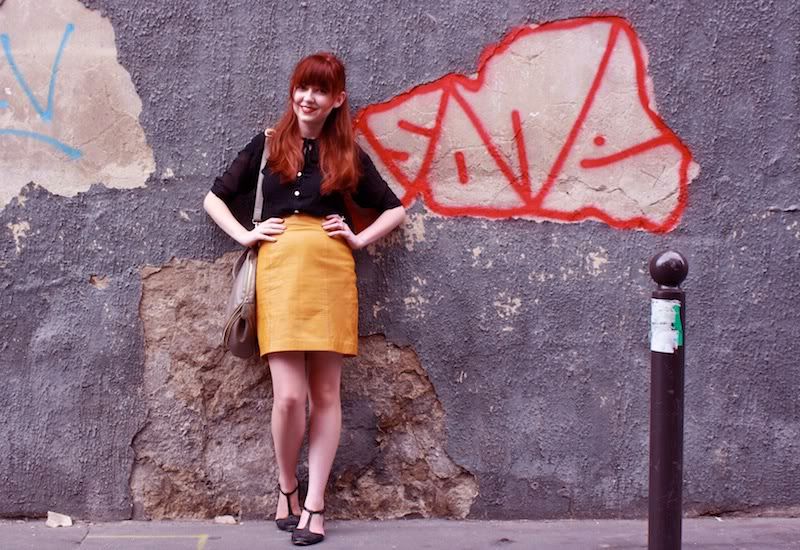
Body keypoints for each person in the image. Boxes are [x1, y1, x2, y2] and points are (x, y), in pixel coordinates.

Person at [203, 52, 406, 546]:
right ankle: (287, 488)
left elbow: (394, 209)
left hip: (332, 275)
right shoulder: (270, 144)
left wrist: (358, 239)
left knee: (327, 395)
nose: (306, 98)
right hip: (279, 276)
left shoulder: (348, 154)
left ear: (337, 100)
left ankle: (315, 506)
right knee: (290, 397)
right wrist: (247, 234)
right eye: (301, 87)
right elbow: (213, 198)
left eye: (319, 90)